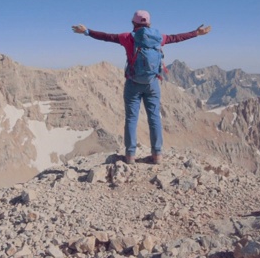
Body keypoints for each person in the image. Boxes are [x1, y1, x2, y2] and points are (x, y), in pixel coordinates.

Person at [71, 10, 211, 165]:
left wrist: (87, 31)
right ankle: (157, 155)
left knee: (131, 118)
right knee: (154, 118)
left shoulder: (127, 37)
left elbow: (106, 37)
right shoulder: (159, 38)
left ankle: (130, 156)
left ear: (133, 23)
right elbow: (176, 38)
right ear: (149, 23)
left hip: (133, 83)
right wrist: (196, 33)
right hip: (152, 83)